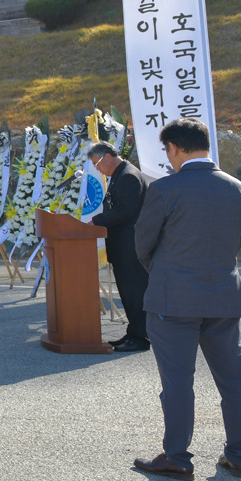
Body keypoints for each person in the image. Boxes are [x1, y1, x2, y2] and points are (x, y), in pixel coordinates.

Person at [132, 119, 241, 481]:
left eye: (167, 150)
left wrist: (164, 271)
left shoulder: (165, 189)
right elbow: (238, 239)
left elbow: (143, 243)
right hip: (223, 296)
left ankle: (177, 457)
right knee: (233, 379)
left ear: (173, 147)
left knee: (178, 381)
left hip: (172, 299)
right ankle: (239, 454)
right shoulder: (239, 189)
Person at [87, 143, 153, 353]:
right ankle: (133, 333)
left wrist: (96, 221)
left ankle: (140, 337)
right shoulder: (121, 175)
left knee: (135, 292)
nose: (98, 169)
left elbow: (125, 210)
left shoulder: (128, 176)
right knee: (129, 292)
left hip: (130, 247)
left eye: (97, 164)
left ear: (107, 156)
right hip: (123, 246)